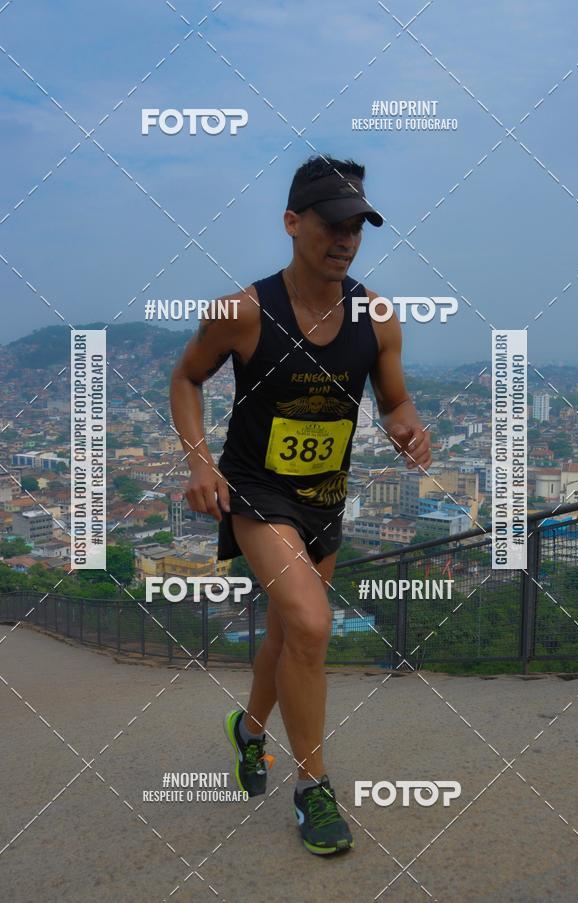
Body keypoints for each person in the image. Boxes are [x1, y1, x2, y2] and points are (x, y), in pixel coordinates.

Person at [170, 155, 432, 855]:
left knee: (290, 636)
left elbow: (395, 399)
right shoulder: (243, 312)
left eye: (357, 226)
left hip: (325, 498)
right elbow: (186, 378)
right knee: (313, 623)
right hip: (256, 490)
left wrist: (405, 422)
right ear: (292, 223)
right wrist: (199, 461)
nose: (346, 239)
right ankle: (312, 787)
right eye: (332, 223)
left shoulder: (376, 317)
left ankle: (249, 731)